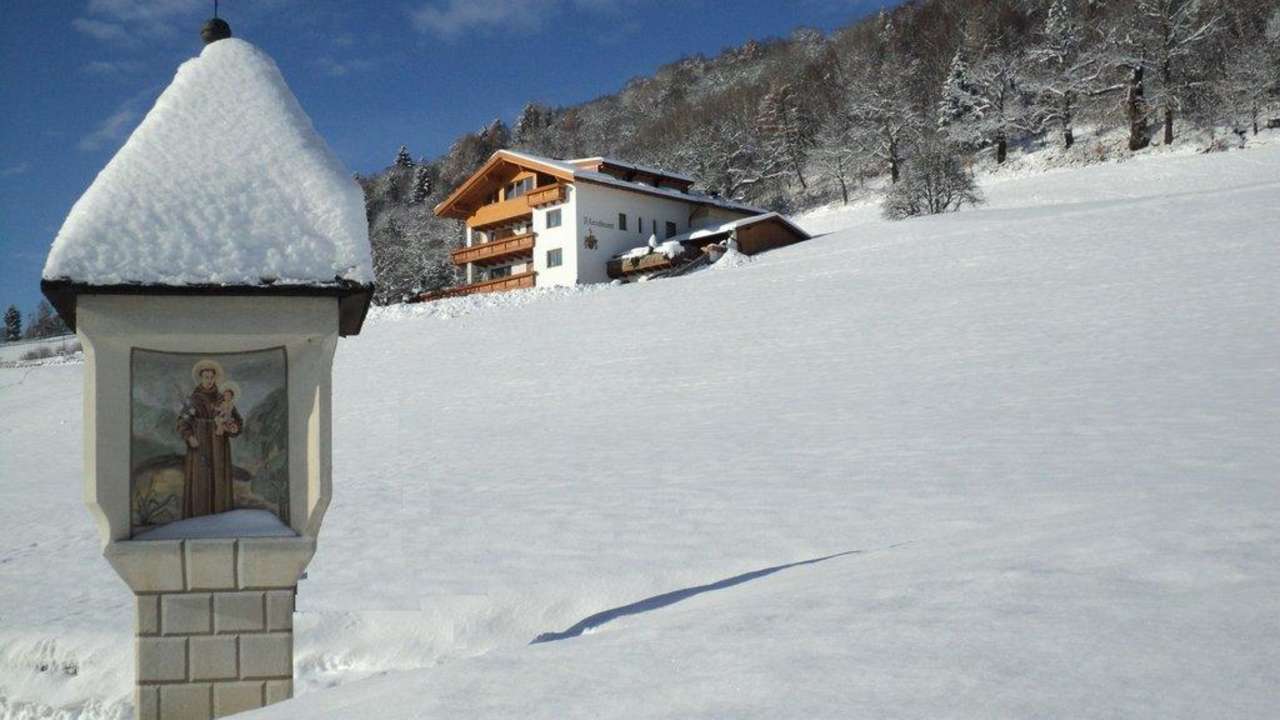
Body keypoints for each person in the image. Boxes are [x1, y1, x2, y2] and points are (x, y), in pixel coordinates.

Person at [177, 359, 242, 518]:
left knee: (218, 479)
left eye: (211, 377)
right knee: (201, 479)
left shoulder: (223, 398)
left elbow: (236, 421)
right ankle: (198, 518)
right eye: (205, 377)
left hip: (219, 443)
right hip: (199, 442)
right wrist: (189, 436)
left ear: (215, 378)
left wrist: (233, 427)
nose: (208, 380)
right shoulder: (193, 399)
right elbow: (182, 421)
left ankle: (220, 518)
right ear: (200, 378)